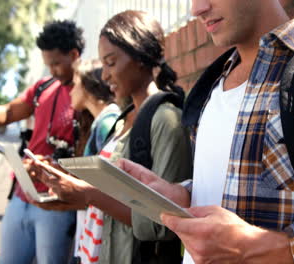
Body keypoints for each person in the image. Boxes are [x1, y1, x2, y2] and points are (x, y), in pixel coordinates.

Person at [116, 0, 294, 263]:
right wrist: (183, 195)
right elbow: (234, 185)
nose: (196, 9)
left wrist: (266, 248)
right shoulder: (209, 89)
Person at [33, 10, 193, 264]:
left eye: (110, 62)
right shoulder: (124, 116)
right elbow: (111, 195)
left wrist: (88, 194)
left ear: (140, 57)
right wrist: (65, 184)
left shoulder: (166, 119)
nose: (104, 75)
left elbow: (164, 223)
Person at [0, 20, 85, 264]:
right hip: (22, 194)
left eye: (56, 64)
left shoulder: (89, 93)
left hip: (56, 204)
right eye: (47, 64)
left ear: (74, 55)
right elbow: (10, 112)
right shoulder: (43, 88)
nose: (51, 70)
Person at [30, 59, 120, 263]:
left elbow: (102, 186)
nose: (70, 92)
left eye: (75, 85)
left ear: (88, 87)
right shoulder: (97, 122)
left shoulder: (107, 123)